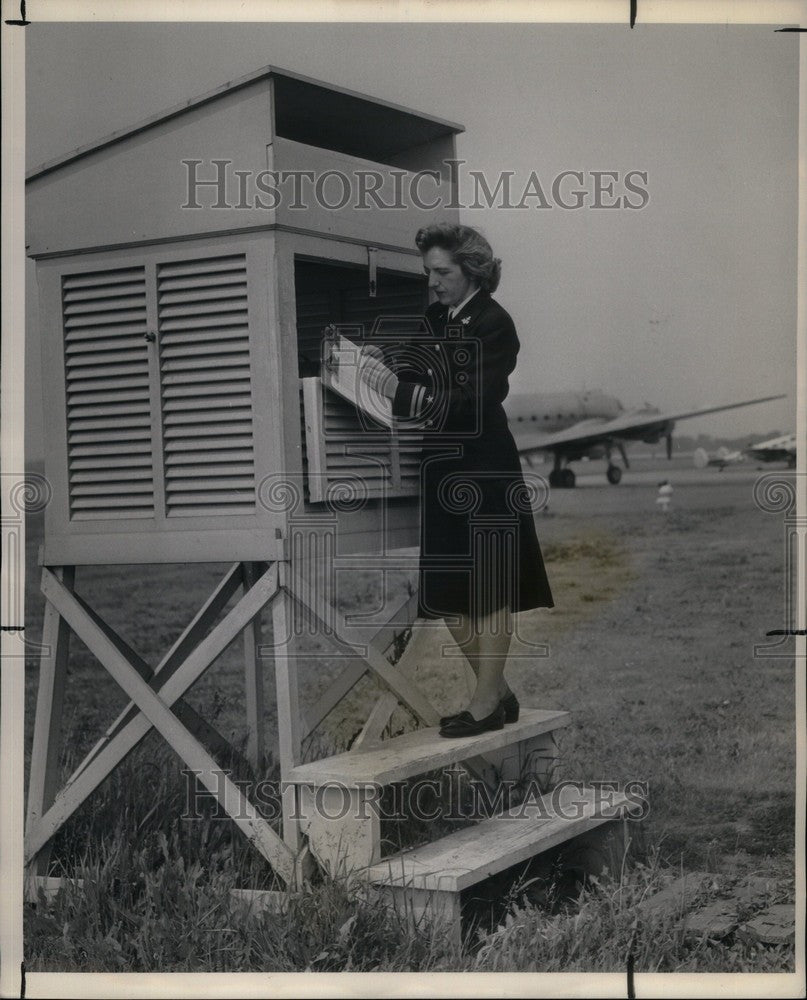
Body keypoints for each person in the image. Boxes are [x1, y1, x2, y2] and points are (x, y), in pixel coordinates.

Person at [360, 223, 554, 737]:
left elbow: (463, 400)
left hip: (484, 465)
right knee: (446, 594)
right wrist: (382, 362)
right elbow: (417, 367)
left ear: (472, 270)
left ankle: (486, 701)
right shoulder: (435, 318)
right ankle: (500, 692)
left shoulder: (495, 324)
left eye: (441, 272)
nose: (432, 283)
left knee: (489, 589)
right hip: (442, 466)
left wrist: (396, 389)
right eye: (428, 273)